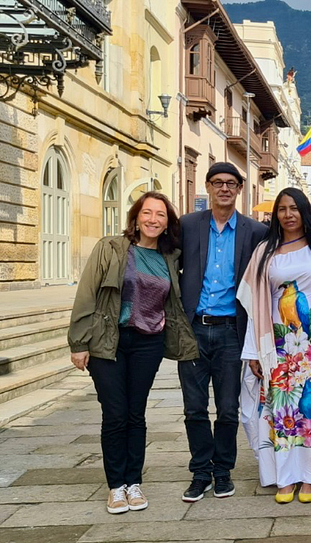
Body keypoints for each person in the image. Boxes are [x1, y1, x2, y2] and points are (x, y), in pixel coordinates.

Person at [68, 192, 198, 514]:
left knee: (135, 413)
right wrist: (79, 343)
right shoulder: (111, 248)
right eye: (147, 213)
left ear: (168, 223)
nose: (153, 219)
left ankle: (133, 482)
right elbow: (87, 293)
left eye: (161, 215)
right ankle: (116, 486)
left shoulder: (171, 258)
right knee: (114, 414)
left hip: (148, 343)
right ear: (136, 217)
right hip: (108, 341)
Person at [237, 187, 311, 504]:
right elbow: (255, 304)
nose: (288, 214)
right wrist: (254, 351)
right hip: (278, 345)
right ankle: (284, 476)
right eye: (282, 208)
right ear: (276, 214)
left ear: (304, 211)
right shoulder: (265, 251)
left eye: (294, 208)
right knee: (282, 409)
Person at [178, 162, 268, 502]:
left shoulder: (254, 231)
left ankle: (223, 471)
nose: (224, 189)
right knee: (194, 408)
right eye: (218, 183)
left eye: (231, 183)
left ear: (239, 189)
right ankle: (200, 471)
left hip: (233, 330)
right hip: (194, 330)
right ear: (209, 186)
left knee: (228, 408)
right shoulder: (187, 225)